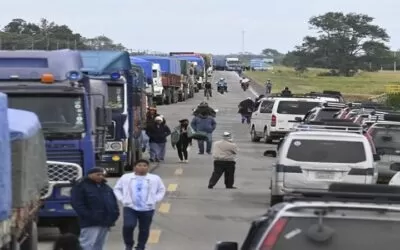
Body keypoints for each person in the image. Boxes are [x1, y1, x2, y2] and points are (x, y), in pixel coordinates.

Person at [114, 159, 166, 250]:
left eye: (144, 166)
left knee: (144, 228)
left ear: (148, 167)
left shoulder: (155, 178)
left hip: (147, 208)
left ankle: (141, 246)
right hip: (130, 207)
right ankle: (128, 244)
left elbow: (161, 190)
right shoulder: (126, 177)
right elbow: (117, 189)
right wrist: (122, 199)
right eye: (139, 165)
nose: (142, 167)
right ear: (134, 167)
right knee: (128, 226)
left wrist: (155, 199)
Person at [71, 167, 120, 250]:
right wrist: (89, 215)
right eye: (98, 174)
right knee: (86, 244)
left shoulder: (106, 187)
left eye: (102, 175)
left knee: (100, 245)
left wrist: (115, 214)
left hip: (106, 221)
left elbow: (113, 202)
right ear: (90, 175)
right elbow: (77, 204)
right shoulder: (81, 186)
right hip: (90, 222)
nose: (100, 176)